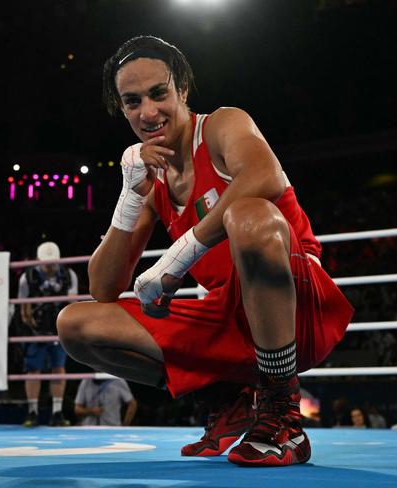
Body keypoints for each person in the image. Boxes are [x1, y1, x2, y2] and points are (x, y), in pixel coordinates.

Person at [57, 35, 354, 467]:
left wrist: (178, 256)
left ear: (182, 89)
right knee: (75, 325)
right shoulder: (151, 176)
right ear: (121, 109)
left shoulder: (220, 125)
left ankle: (282, 415)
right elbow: (103, 288)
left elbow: (265, 174)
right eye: (132, 101)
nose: (148, 112)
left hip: (298, 305)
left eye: (159, 94)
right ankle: (226, 397)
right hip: (229, 320)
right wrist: (129, 196)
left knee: (250, 215)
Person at [18, 241, 78, 427]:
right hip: (36, 329)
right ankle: (32, 412)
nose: (50, 266)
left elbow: (72, 303)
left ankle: (57, 412)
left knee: (58, 368)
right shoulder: (27, 276)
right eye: (47, 263)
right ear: (39, 260)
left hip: (58, 328)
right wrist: (31, 324)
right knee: (33, 370)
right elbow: (23, 306)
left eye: (53, 262)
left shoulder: (68, 275)